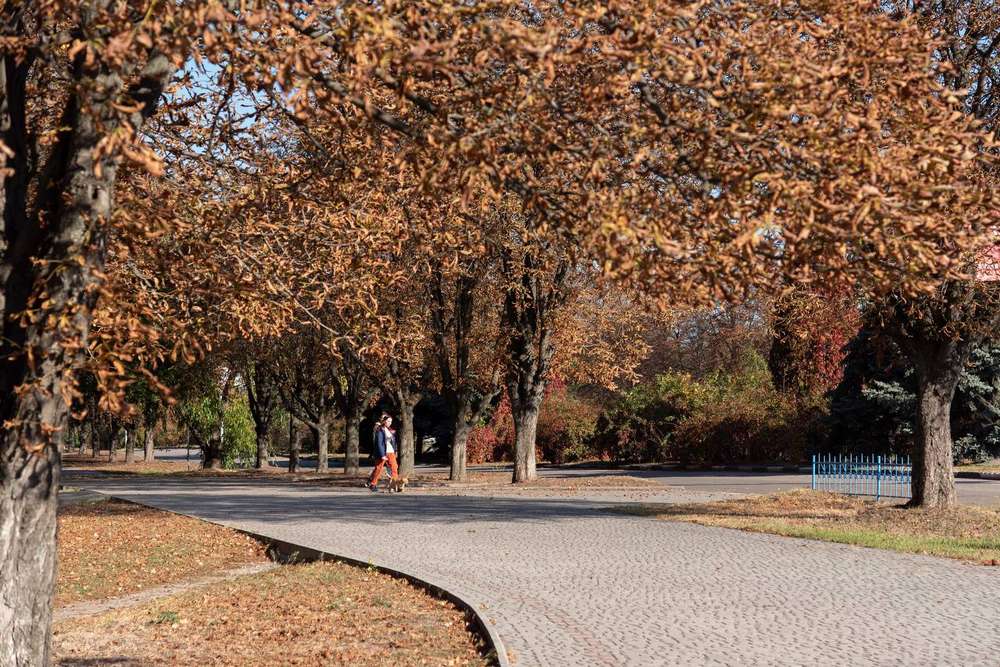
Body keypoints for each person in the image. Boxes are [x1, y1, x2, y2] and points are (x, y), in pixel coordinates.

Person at [367, 414, 398, 492]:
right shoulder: (380, 430)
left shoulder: (390, 430)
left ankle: (395, 484)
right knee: (379, 468)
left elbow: (393, 441)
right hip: (383, 452)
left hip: (391, 452)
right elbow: (379, 443)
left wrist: (395, 450)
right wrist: (382, 454)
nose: (389, 423)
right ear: (384, 421)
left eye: (391, 421)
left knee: (394, 467)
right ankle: (372, 484)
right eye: (388, 421)